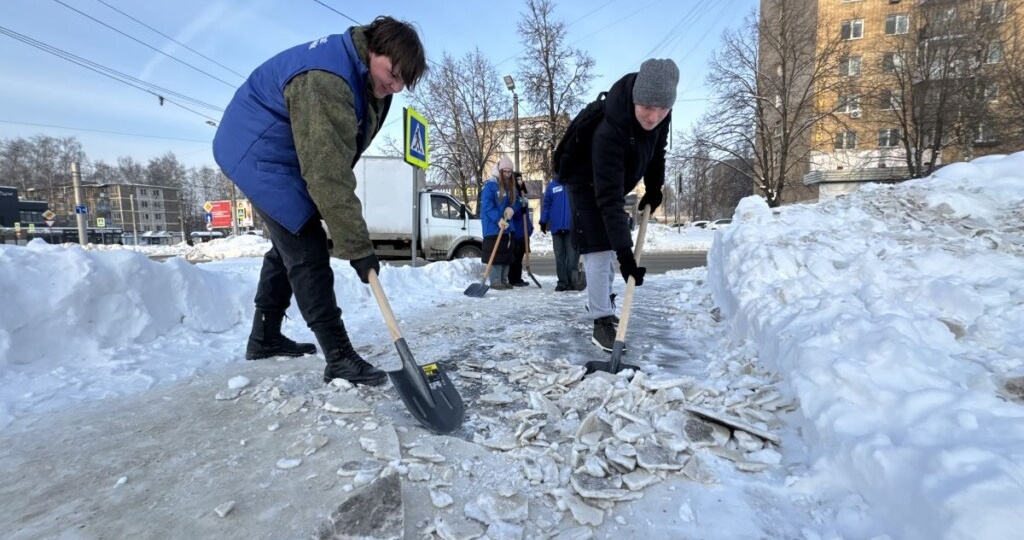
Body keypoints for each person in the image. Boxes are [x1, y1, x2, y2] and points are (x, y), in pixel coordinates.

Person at [212, 16, 428, 385]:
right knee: (305, 247)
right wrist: (358, 248)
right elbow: (328, 173)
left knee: (286, 246)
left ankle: (264, 337)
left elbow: (339, 153)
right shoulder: (326, 80)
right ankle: (339, 356)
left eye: (401, 83)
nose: (393, 86)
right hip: (258, 153)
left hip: (288, 152)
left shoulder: (365, 77)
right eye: (391, 73)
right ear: (373, 49)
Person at [563, 58, 677, 352]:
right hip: (585, 181)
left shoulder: (661, 117)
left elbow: (656, 153)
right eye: (647, 108)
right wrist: (627, 258)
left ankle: (605, 302)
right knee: (599, 247)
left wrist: (654, 188)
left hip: (611, 182)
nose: (653, 117)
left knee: (612, 241)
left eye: (661, 109)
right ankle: (600, 320)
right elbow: (608, 201)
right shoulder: (609, 131)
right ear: (636, 98)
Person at [479, 156, 520, 290]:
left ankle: (503, 279)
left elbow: (516, 202)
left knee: (506, 254)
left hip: (507, 227)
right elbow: (487, 207)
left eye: (510, 172)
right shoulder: (490, 187)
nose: (507, 175)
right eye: (505, 171)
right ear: (500, 170)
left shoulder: (511, 187)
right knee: (495, 254)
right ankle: (495, 280)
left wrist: (511, 209)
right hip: (493, 228)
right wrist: (498, 219)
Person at [539, 175, 579, 292]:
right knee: (559, 257)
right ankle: (562, 282)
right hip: (556, 228)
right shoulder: (552, 186)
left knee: (572, 258)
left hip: (571, 228)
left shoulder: (574, 185)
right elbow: (546, 206)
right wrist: (543, 221)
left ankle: (571, 282)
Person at [507, 172, 533, 287]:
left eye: (520, 179)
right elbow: (511, 211)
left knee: (520, 256)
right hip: (517, 230)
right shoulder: (512, 194)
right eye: (517, 179)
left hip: (524, 230)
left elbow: (526, 214)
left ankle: (518, 277)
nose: (519, 181)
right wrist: (518, 209)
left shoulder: (523, 194)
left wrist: (529, 227)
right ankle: (513, 278)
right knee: (515, 257)